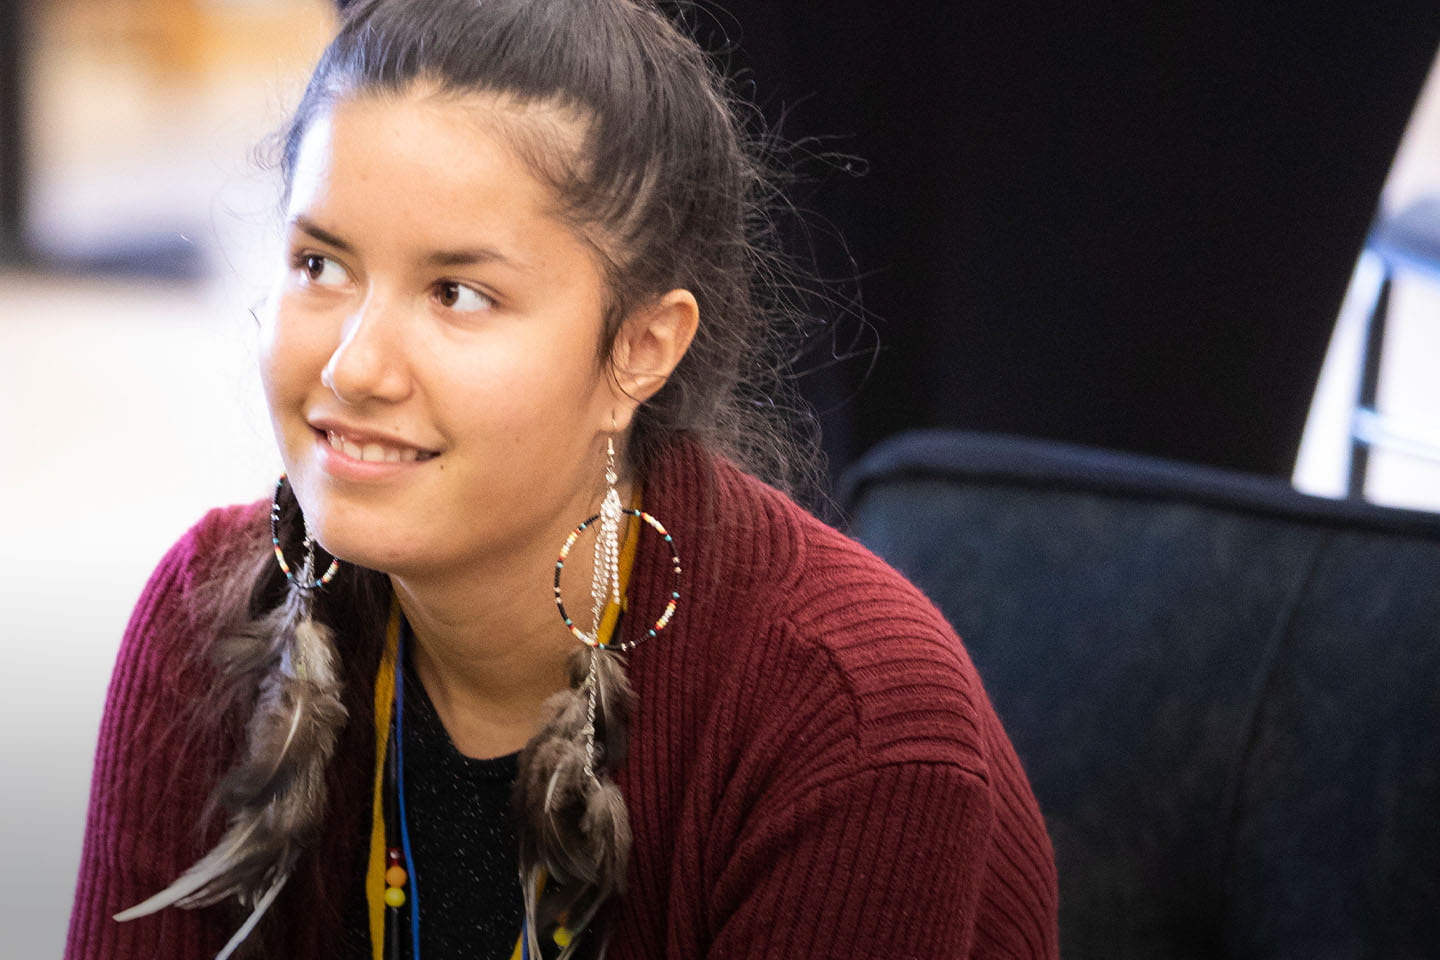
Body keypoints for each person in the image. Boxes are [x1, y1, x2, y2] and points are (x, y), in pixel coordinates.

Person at [63, 0, 1059, 957]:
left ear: (640, 349)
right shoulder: (213, 610)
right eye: (321, 265)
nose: (354, 367)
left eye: (458, 294)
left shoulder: (852, 722)